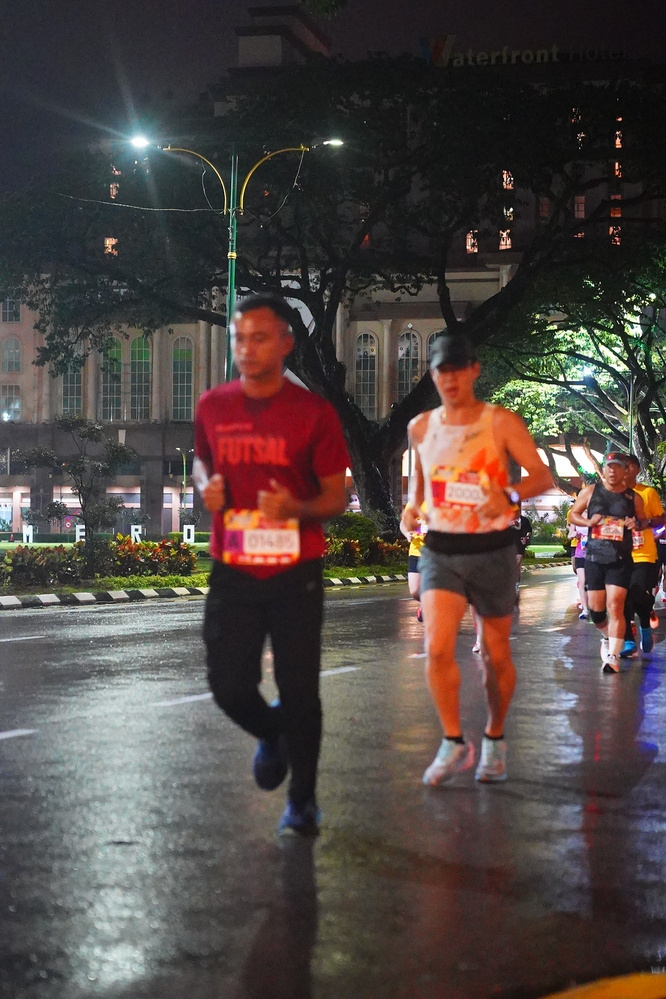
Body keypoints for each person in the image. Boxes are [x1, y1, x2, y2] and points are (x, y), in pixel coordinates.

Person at [193, 293, 350, 837]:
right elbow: (202, 462)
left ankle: (302, 800)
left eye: (259, 338)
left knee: (300, 689)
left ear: (286, 342)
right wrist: (206, 486)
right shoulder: (212, 405)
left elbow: (336, 497)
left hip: (294, 572)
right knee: (229, 687)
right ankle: (272, 731)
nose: (246, 348)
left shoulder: (314, 413)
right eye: (239, 338)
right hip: (233, 569)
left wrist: (296, 508)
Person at [400, 332, 553, 786]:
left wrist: (508, 494)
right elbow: (418, 490)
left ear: (474, 371)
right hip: (440, 549)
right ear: (432, 375)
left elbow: (542, 477)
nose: (449, 379)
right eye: (441, 371)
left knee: (494, 654)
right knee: (437, 648)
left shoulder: (500, 422)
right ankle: (452, 741)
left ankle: (495, 736)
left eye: (457, 370)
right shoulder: (420, 427)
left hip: (492, 550)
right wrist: (411, 511)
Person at [569, 452, 646, 674]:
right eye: (609, 466)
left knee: (616, 605)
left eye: (617, 467)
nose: (612, 471)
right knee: (597, 613)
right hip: (594, 558)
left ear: (625, 471)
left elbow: (643, 521)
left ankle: (612, 656)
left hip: (620, 559)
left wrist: (636, 523)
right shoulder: (590, 492)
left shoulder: (633, 498)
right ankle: (607, 636)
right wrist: (588, 522)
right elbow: (573, 515)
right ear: (603, 470)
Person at [619, 454, 664, 658]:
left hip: (643, 554)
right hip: (619, 554)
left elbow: (660, 519)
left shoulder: (647, 493)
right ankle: (629, 640)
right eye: (622, 466)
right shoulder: (611, 495)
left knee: (636, 592)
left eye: (629, 466)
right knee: (621, 597)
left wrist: (644, 523)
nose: (625, 470)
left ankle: (645, 624)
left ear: (637, 469)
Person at [402, 504, 427, 622]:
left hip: (438, 551)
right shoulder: (415, 502)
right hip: (417, 550)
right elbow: (404, 522)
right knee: (415, 591)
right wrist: (407, 533)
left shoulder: (442, 503)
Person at [511, 510, 532, 606]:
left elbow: (529, 531)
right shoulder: (507, 520)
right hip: (509, 545)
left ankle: (515, 584)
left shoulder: (524, 520)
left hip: (520, 544)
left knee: (517, 564)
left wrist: (526, 538)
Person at [572, 523, 589, 620]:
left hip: (594, 554)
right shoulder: (576, 517)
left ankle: (596, 606)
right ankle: (585, 610)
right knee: (582, 581)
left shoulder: (595, 516)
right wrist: (574, 534)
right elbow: (570, 534)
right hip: (580, 554)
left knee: (592, 582)